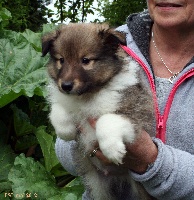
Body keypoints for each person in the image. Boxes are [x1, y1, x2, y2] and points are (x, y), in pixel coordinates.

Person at [55, 0, 194, 199]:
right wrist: (90, 146)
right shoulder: (106, 41)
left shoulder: (106, 45)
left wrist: (150, 161)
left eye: (86, 61)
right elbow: (68, 158)